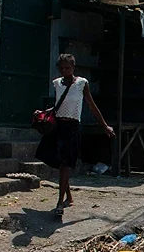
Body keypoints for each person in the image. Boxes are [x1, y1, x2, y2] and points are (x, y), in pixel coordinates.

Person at [35, 54, 115, 215]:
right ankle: (69, 198)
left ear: (73, 68)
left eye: (68, 68)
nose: (64, 71)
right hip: (58, 126)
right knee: (59, 163)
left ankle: (59, 203)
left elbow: (92, 106)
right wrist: (43, 113)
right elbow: (58, 105)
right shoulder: (57, 83)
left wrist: (105, 126)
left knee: (66, 163)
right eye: (62, 68)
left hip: (72, 128)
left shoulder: (81, 84)